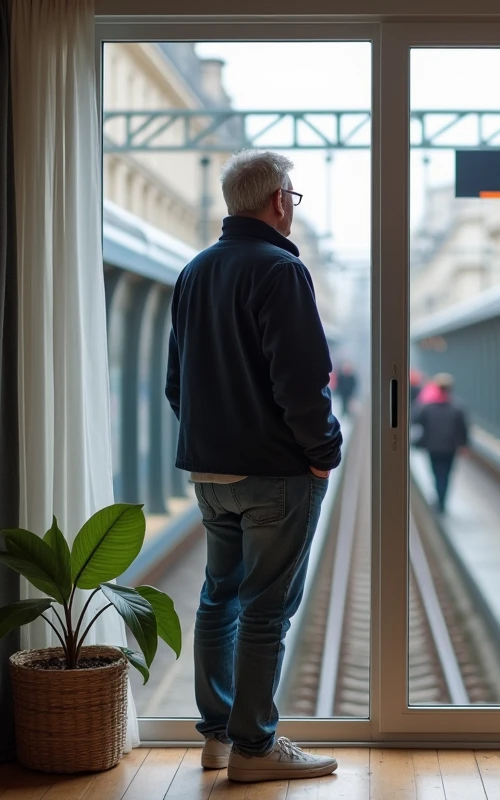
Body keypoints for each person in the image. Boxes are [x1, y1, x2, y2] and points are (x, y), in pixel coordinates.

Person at [165, 150, 341, 783]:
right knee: (266, 609)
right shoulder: (280, 270)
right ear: (277, 202)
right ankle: (256, 750)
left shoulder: (195, 271)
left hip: (210, 475)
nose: (291, 209)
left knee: (219, 600)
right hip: (275, 473)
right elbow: (302, 383)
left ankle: (216, 737)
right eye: (291, 199)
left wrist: (209, 442)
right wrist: (322, 454)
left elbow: (175, 383)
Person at [412, 373, 469, 514]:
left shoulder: (428, 407)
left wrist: (422, 400)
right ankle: (442, 501)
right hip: (450, 448)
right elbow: (463, 429)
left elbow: (415, 419)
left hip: (433, 447)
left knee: (436, 473)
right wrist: (464, 445)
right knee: (446, 474)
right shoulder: (457, 408)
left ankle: (439, 500)